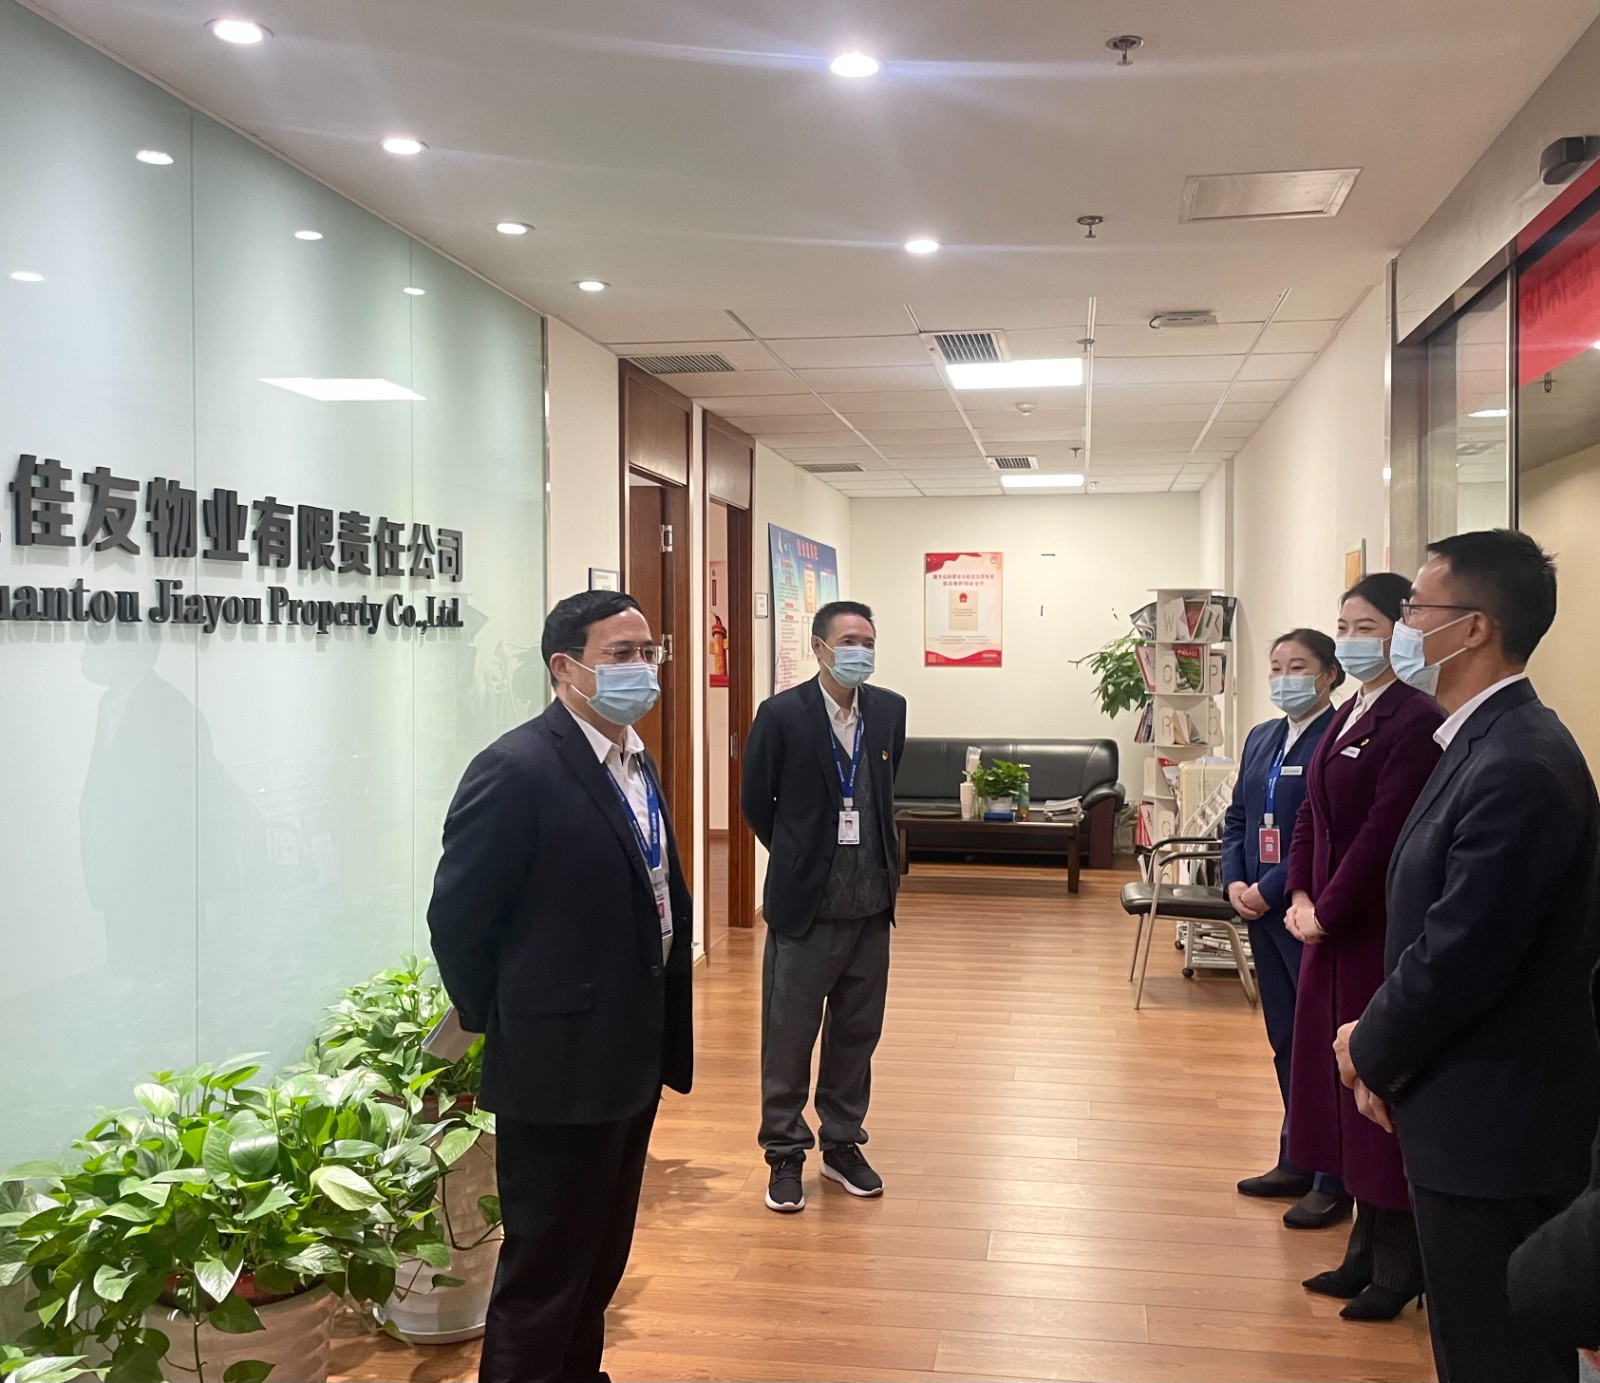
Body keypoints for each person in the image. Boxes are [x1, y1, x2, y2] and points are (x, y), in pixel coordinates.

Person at [1338, 531, 1600, 1383]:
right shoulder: (1481, 743)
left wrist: (1370, 1045)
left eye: (1414, 608)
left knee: (1497, 1352)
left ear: (1475, 626)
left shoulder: (1519, 760)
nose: (1400, 627)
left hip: (1497, 1124)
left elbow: (1461, 951)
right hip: (1462, 1105)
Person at [426, 590, 694, 1383]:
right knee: (545, 1267)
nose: (641, 668)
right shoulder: (516, 768)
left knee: (600, 1252)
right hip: (556, 1062)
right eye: (620, 654)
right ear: (564, 667)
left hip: (629, 1048)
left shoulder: (633, 757)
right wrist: (503, 1016)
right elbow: (459, 918)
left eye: (647, 651)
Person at [1283, 573, 1444, 1321]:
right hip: (1326, 930)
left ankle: (1398, 1262)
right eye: (1343, 625)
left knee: (1374, 1086)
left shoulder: (1414, 719)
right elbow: (1310, 816)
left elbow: (1384, 834)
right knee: (1337, 1088)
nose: (1351, 639)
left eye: (1367, 626)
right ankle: (1362, 1247)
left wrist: (1330, 909)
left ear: (1402, 631)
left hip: (1373, 933)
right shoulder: (1350, 710)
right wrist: (1300, 895)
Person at [741, 599, 907, 1213]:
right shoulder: (782, 714)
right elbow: (756, 800)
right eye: (848, 641)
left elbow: (883, 790)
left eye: (869, 640)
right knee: (788, 1037)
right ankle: (784, 1153)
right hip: (806, 910)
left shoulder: (889, 710)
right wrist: (797, 858)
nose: (860, 651)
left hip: (871, 907)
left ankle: (841, 1143)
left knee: (857, 1035)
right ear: (818, 648)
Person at [1222, 629, 1350, 1230]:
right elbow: (1239, 816)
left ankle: (1333, 1178)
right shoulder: (1262, 736)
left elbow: (1320, 830)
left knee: (1321, 1041)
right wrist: (1233, 880)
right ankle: (1296, 1154)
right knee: (1285, 1040)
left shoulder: (1338, 737)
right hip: (1257, 907)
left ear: (1329, 675)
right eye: (1276, 667)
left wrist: (1267, 890)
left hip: (1302, 910)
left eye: (1298, 667)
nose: (1284, 678)